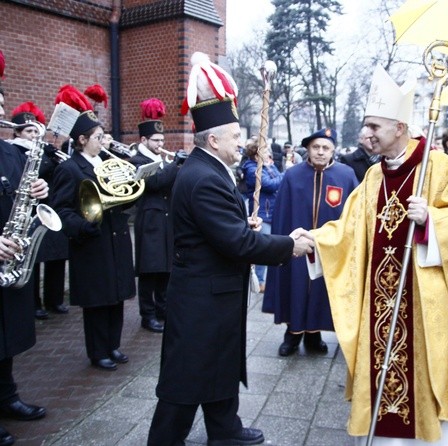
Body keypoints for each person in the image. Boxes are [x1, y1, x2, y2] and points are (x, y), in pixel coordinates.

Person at [308, 65, 448, 444]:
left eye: (374, 127)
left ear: (399, 128)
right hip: (383, 304)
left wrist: (431, 220)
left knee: (426, 380)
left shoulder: (438, 167)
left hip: (426, 303)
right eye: (365, 126)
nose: (366, 134)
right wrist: (313, 240)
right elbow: (348, 229)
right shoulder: (374, 177)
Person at [147, 52, 314, 446]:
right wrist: (289, 245)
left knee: (218, 363)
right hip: (201, 298)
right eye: (237, 137)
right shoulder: (204, 177)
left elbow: (224, 230)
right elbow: (236, 242)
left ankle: (225, 430)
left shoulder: (207, 169)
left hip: (212, 291)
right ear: (215, 139)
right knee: (187, 377)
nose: (243, 143)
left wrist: (242, 223)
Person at [50, 85, 135, 372]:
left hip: (116, 236)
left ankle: (113, 344)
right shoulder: (70, 169)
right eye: (98, 138)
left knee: (117, 296)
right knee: (98, 301)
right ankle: (97, 351)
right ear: (82, 139)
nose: (103, 142)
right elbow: (60, 210)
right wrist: (83, 226)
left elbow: (123, 193)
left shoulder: (108, 161)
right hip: (92, 242)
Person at [263, 128, 358, 356]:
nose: (321, 152)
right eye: (316, 147)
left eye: (326, 148)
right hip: (296, 247)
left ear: (333, 150)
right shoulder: (293, 175)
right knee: (294, 285)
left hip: (327, 247)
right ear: (308, 149)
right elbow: (282, 213)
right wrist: (282, 244)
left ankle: (314, 334)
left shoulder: (346, 175)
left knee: (321, 289)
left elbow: (355, 214)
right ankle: (293, 334)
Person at [0, 66, 49, 446]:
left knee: (7, 335)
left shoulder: (9, 151)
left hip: (10, 253)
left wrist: (38, 189)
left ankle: (7, 396)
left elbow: (21, 195)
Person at [7, 102, 69, 320]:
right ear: (17, 132)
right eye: (29, 131)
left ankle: (55, 299)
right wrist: (46, 160)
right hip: (25, 212)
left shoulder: (43, 150)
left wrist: (54, 156)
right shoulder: (13, 150)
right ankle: (34, 302)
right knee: (29, 257)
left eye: (36, 130)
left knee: (55, 256)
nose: (34, 134)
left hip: (48, 208)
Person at [128, 98, 181, 334]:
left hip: (166, 221)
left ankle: (163, 309)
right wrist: (174, 166)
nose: (161, 144)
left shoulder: (161, 160)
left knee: (165, 269)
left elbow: (170, 185)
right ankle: (146, 315)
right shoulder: (137, 161)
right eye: (156, 140)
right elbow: (156, 183)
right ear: (143, 140)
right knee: (149, 270)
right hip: (149, 221)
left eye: (162, 140)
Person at [241, 139, 283, 293]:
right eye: (265, 151)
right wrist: (286, 173)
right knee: (263, 247)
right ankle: (259, 281)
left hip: (272, 209)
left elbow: (276, 178)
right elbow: (270, 185)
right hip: (262, 211)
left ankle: (264, 279)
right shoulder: (253, 169)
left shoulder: (267, 166)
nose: (268, 153)